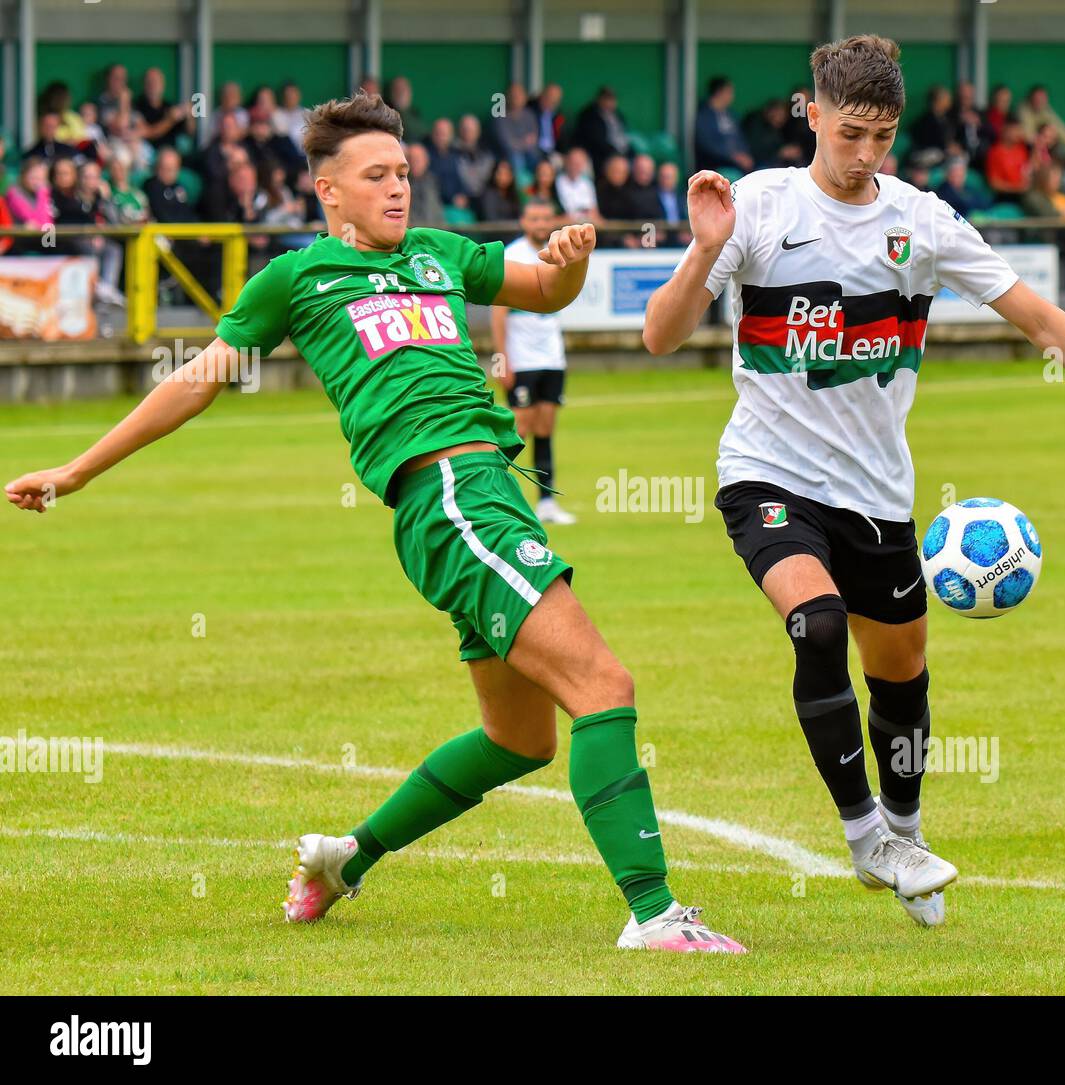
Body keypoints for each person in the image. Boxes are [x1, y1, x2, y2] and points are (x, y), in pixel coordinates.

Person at [3, 92, 745, 955]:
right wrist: (77, 470)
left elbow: (544, 291)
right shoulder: (299, 279)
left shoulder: (437, 252)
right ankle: (654, 915)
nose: (398, 189)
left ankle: (347, 857)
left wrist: (571, 258)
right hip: (451, 500)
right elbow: (197, 378)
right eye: (376, 176)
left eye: (403, 172)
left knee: (520, 737)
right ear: (327, 191)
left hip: (484, 494)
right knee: (603, 687)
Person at [642, 34, 1065, 927]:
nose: (866, 155)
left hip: (878, 496)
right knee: (817, 622)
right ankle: (865, 836)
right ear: (812, 115)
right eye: (850, 134)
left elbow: (1038, 317)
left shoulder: (920, 220)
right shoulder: (755, 206)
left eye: (883, 136)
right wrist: (702, 251)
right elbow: (660, 335)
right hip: (765, 474)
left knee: (902, 673)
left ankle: (906, 826)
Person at [492, 199, 578, 525]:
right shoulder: (512, 255)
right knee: (519, 427)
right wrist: (502, 361)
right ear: (524, 220)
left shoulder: (558, 254)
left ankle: (546, 502)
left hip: (551, 357)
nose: (541, 223)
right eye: (534, 217)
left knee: (546, 426)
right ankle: (498, 498)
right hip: (522, 357)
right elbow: (498, 312)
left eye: (546, 217)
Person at [695, 77, 752, 174]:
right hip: (716, 166)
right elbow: (706, 145)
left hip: (737, 165)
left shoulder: (731, 115)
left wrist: (745, 155)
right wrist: (733, 156)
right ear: (718, 92)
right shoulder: (704, 115)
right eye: (729, 92)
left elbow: (740, 139)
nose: (732, 96)